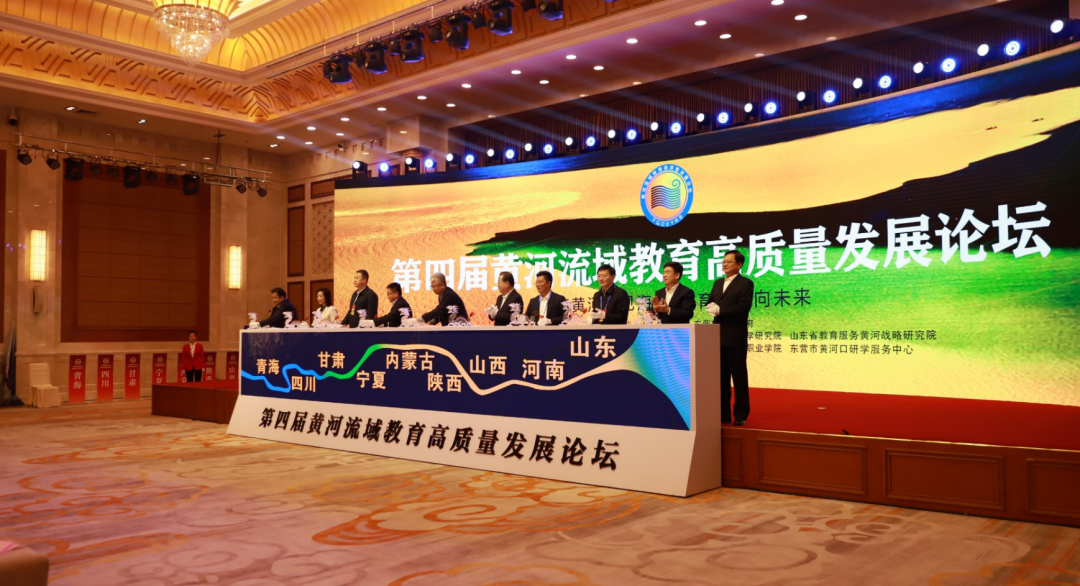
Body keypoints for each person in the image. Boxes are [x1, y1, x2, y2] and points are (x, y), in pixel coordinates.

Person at [706, 250, 755, 426]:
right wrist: (711, 307)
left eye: (729, 261)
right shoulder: (718, 283)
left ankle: (741, 414)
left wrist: (721, 310)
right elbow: (710, 301)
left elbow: (743, 308)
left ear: (739, 265)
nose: (725, 264)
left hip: (735, 336)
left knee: (739, 376)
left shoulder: (746, 283)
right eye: (724, 261)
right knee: (721, 378)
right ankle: (723, 414)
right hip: (717, 335)